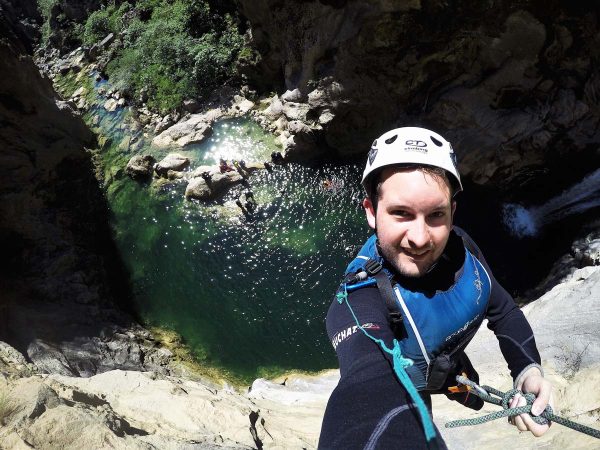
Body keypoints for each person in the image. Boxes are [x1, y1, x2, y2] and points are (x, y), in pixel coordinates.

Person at [318, 127, 553, 449]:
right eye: (401, 213)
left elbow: (504, 311)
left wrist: (527, 367)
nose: (419, 237)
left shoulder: (461, 247)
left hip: (449, 368)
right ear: (371, 212)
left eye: (435, 215)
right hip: (411, 385)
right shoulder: (358, 301)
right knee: (414, 407)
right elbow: (367, 383)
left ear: (452, 213)